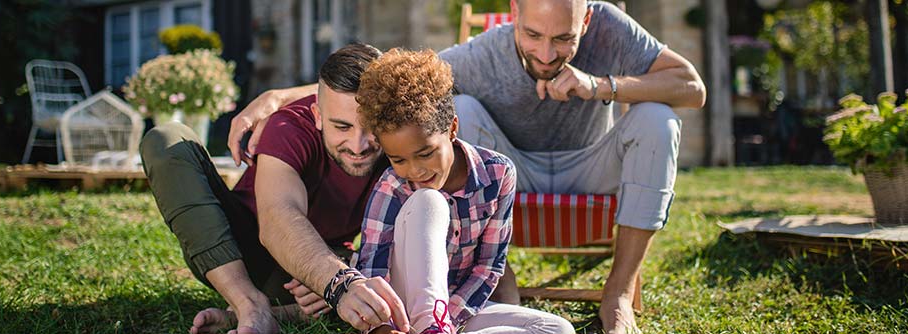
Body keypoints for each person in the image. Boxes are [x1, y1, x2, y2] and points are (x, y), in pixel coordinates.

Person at [226, 1, 706, 332]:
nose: (544, 53)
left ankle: (617, 293)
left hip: (589, 163)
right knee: (465, 109)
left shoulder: (613, 27)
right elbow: (394, 80)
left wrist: (602, 86)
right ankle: (440, 307)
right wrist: (283, 95)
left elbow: (692, 87)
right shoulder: (485, 52)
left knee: (658, 119)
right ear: (514, 15)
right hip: (503, 174)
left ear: (587, 21)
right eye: (533, 34)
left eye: (562, 38)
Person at [140, 43, 412, 334]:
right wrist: (340, 282)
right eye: (342, 127)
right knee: (166, 138)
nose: (358, 146)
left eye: (371, 127)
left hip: (309, 273)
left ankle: (266, 316)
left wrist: (345, 268)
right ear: (318, 115)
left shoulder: (398, 140)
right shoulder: (289, 125)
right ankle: (249, 304)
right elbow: (277, 218)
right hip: (233, 251)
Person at [353, 49, 575, 334]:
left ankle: (435, 328)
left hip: (455, 310)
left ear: (452, 128)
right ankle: (430, 326)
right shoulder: (392, 186)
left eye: (426, 153)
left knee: (557, 329)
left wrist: (448, 319)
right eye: (399, 160)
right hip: (401, 314)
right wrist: (382, 328)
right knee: (428, 200)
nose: (415, 171)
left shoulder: (498, 174)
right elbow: (371, 268)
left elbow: (488, 267)